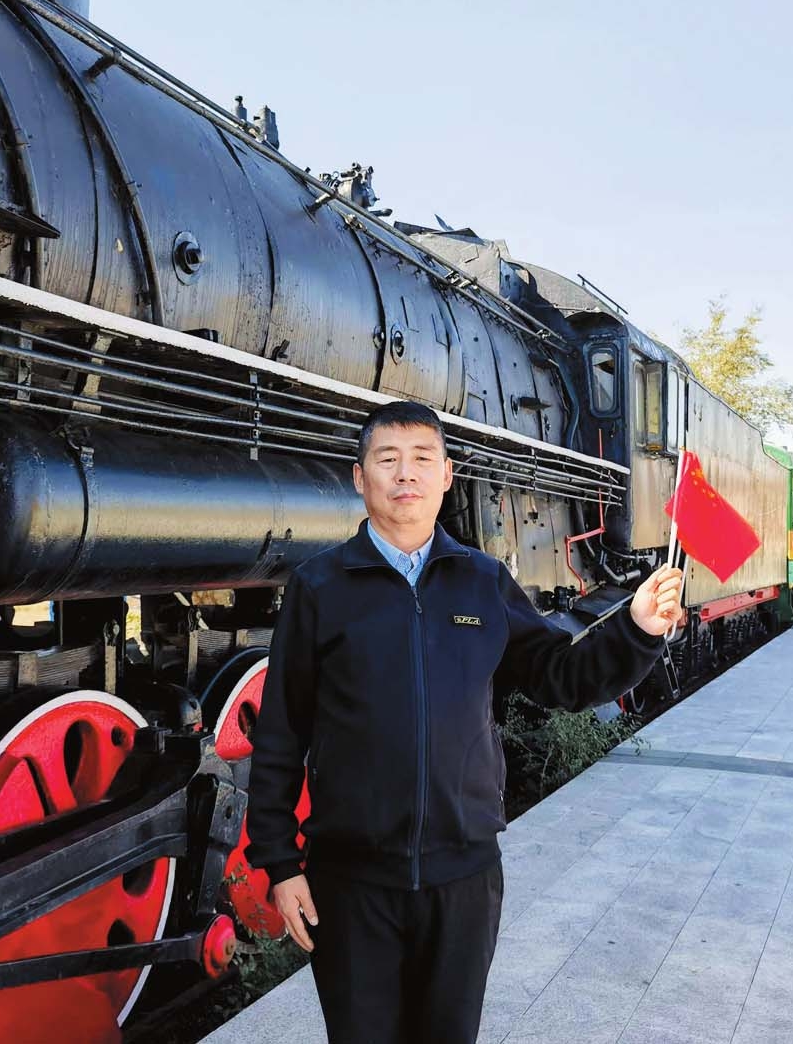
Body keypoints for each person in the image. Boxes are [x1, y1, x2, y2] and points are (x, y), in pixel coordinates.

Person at [245, 401, 685, 1044]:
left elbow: (560, 677)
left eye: (422, 458)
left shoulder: (483, 582)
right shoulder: (319, 588)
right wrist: (282, 865)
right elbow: (281, 734)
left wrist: (638, 627)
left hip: (464, 878)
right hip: (351, 882)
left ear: (447, 475)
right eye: (387, 459)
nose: (406, 474)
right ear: (360, 477)